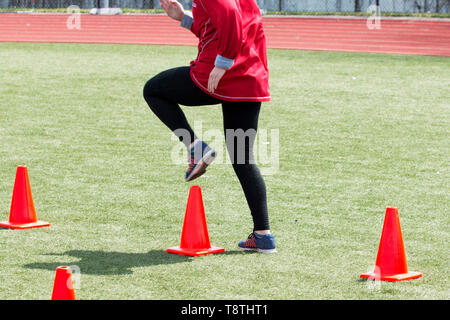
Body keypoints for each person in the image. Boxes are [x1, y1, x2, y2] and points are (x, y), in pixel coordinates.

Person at [143, 0, 276, 253]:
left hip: (223, 74)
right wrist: (183, 18)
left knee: (154, 90)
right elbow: (219, 26)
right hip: (250, 78)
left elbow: (229, 17)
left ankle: (195, 147)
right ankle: (263, 235)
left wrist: (222, 62)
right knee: (242, 157)